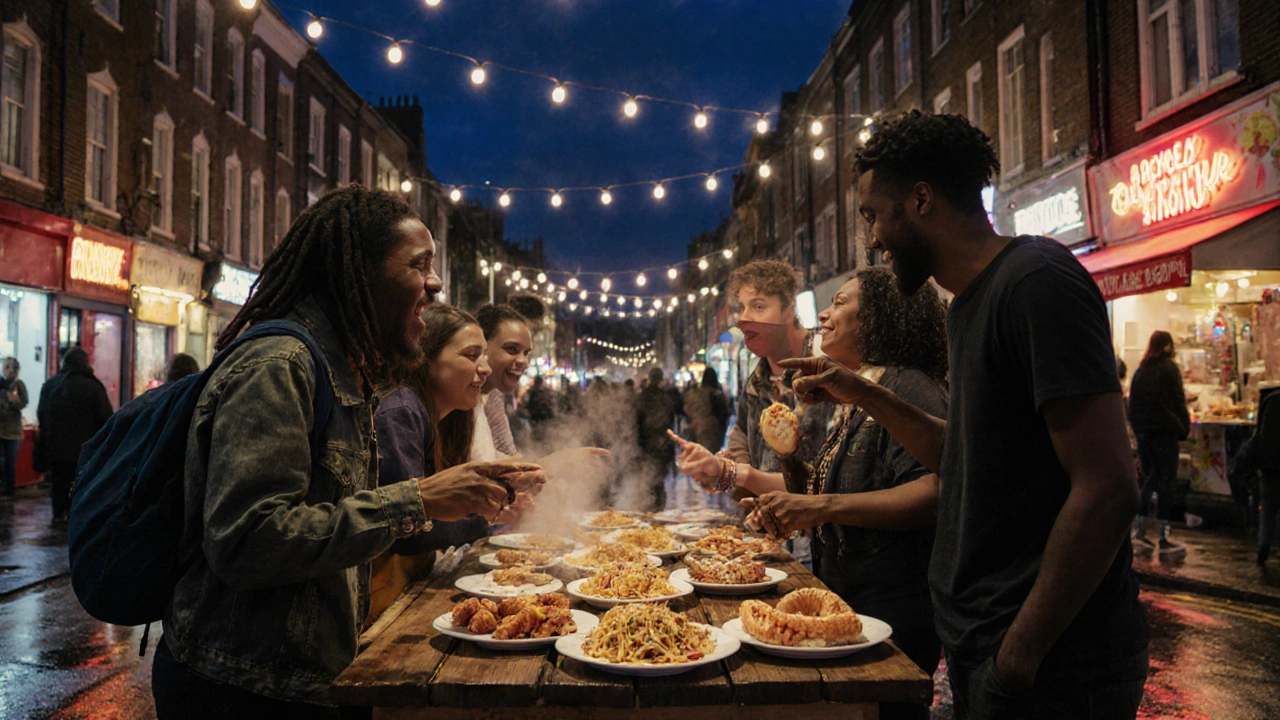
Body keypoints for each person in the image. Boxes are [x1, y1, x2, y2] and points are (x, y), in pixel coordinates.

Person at [782, 111, 1148, 719]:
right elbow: (970, 456)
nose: (871, 239)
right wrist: (861, 391)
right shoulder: (968, 307)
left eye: (873, 214)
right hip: (984, 645)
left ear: (921, 199)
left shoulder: (1037, 282)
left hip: (1052, 666)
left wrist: (1018, 657)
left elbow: (1107, 488)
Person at [151, 184, 546, 716]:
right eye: (419, 265)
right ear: (362, 275)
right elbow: (246, 539)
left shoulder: (344, 371)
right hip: (241, 687)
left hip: (307, 677)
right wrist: (418, 499)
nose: (435, 283)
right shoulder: (279, 364)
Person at [742, 268, 948, 720]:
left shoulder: (907, 387)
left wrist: (817, 507)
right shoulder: (856, 390)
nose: (825, 313)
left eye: (839, 302)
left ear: (877, 318)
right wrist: (788, 458)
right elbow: (820, 496)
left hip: (894, 615)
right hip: (846, 604)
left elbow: (935, 493)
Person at [371, 305, 523, 621]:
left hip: (412, 588)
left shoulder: (452, 417)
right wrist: (484, 517)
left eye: (483, 356)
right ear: (426, 359)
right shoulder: (401, 412)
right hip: (381, 604)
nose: (484, 368)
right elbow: (410, 531)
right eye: (471, 356)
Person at [671, 260, 834, 504]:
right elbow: (741, 455)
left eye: (758, 306)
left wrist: (732, 473)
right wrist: (715, 470)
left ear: (789, 310)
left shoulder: (825, 367)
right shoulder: (756, 383)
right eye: (742, 308)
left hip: (819, 538)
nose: (743, 319)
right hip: (767, 537)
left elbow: (829, 482)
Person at [1127, 331, 1191, 555]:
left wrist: (1138, 429)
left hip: (1144, 433)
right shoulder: (1169, 369)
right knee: (1166, 479)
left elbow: (1131, 405)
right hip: (1165, 431)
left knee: (1151, 476)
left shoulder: (1141, 371)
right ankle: (1164, 537)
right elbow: (1178, 399)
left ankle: (1140, 531)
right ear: (1168, 346)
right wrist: (1184, 426)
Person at [36, 349, 113, 524]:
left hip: (56, 447)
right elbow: (105, 418)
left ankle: (57, 515)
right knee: (79, 484)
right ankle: (74, 516)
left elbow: (42, 414)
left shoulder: (51, 384)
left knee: (58, 481)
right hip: (84, 449)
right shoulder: (93, 386)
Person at [474, 303, 533, 459]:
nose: (523, 361)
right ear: (481, 347)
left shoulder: (493, 396)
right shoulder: (458, 397)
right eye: (512, 349)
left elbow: (507, 456)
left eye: (526, 353)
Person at [635, 367, 677, 512]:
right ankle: (658, 510)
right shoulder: (665, 398)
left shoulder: (641, 398)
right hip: (662, 445)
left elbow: (636, 423)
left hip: (645, 444)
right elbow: (671, 423)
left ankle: (649, 512)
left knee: (647, 480)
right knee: (658, 480)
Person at [1254, 385, 1280, 566]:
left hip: (1269, 463)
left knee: (1268, 505)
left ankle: (1263, 545)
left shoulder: (1270, 400)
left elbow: (1259, 435)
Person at [0, 357, 30, 498]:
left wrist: (12, 401)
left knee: (10, 462)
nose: (10, 371)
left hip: (13, 431)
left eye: (13, 368)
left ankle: (9, 490)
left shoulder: (19, 385)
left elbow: (23, 402)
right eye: (7, 367)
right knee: (2, 461)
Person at [682, 367, 730, 452]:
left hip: (696, 429)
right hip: (712, 431)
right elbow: (723, 414)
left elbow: (687, 411)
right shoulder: (716, 394)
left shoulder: (696, 394)